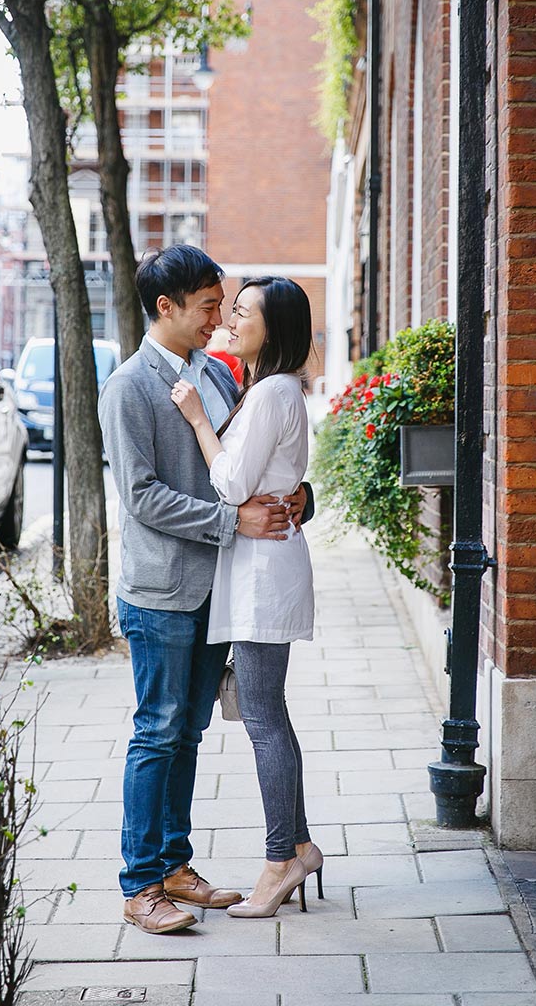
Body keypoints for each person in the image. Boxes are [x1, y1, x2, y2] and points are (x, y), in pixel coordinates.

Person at [98, 246, 312, 935]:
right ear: (167, 307)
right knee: (157, 732)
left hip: (211, 589)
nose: (220, 318)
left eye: (225, 305)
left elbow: (249, 459)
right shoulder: (129, 387)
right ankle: (140, 886)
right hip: (161, 590)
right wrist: (232, 518)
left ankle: (174, 865)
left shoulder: (209, 379)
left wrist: (297, 494)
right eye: (209, 306)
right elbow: (140, 498)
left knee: (187, 732)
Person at [170, 275, 323, 919]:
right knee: (267, 713)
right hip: (263, 567)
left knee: (261, 717)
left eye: (244, 311)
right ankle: (299, 844)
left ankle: (281, 858)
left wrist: (199, 418)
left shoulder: (271, 394)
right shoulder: (270, 389)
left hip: (264, 573)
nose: (232, 316)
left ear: (273, 328)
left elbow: (231, 484)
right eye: (232, 307)